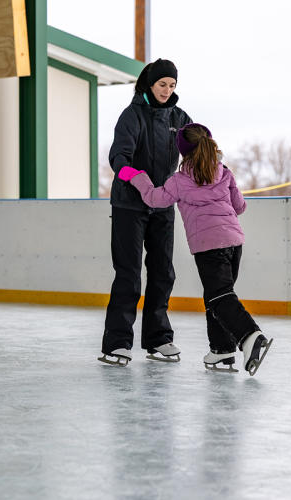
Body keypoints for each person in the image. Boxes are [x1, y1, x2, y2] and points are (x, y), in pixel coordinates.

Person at [117, 123, 273, 376]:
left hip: (208, 245)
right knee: (218, 295)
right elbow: (240, 207)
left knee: (219, 296)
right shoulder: (224, 172)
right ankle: (222, 350)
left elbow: (154, 199)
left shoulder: (179, 180)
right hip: (234, 242)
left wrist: (137, 177)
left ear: (183, 152)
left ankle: (249, 335)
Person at [98, 59, 193, 367]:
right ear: (149, 85)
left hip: (163, 203)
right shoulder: (132, 116)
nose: (167, 90)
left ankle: (158, 338)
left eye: (172, 85)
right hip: (129, 204)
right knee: (128, 274)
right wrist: (136, 178)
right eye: (162, 84)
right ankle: (117, 343)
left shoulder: (179, 118)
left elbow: (198, 151)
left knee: (163, 271)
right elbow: (118, 156)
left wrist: (214, 170)